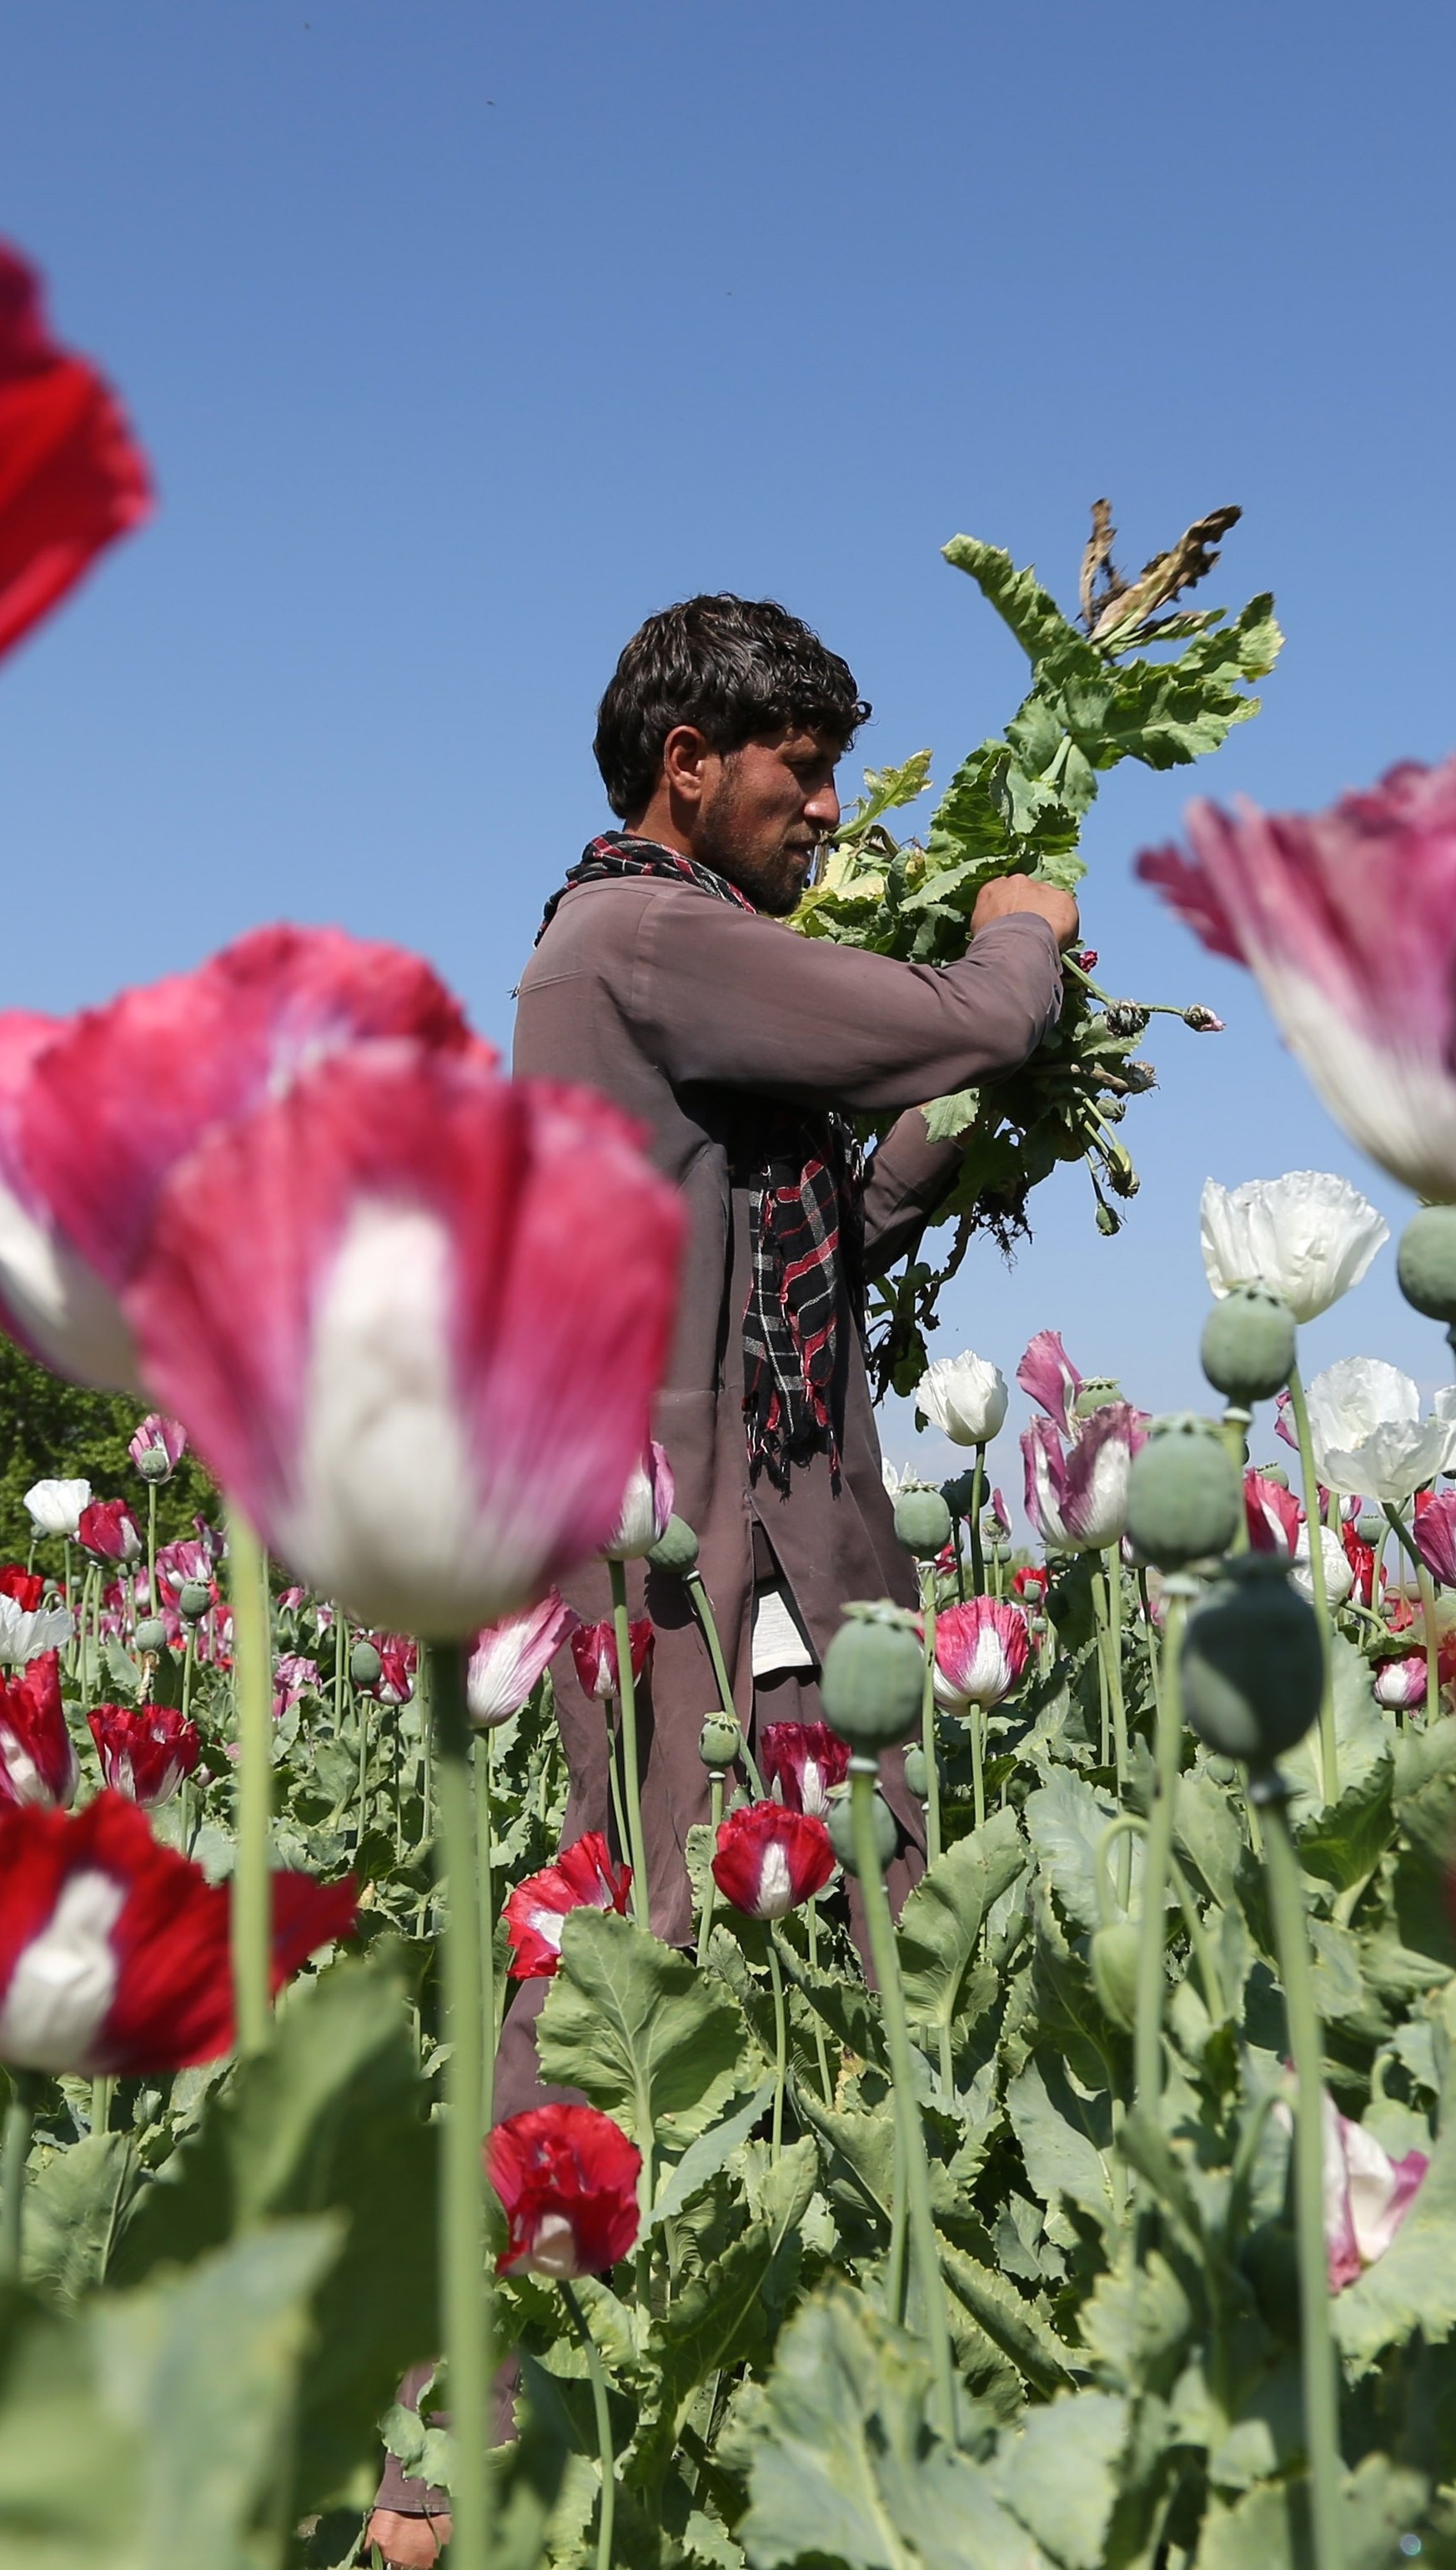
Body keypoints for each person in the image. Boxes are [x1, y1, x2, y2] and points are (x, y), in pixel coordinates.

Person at [363, 594, 1072, 2564]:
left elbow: (826, 1199)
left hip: (760, 1512)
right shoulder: (650, 935)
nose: (831, 808)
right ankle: (440, 2466)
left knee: (853, 1910)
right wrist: (1021, 926)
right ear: (692, 761)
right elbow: (979, 1006)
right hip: (690, 1537)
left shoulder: (650, 964)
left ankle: (926, 2378)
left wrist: (959, 1120)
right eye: (799, 769)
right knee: (627, 1953)